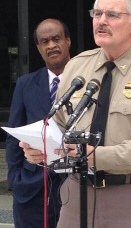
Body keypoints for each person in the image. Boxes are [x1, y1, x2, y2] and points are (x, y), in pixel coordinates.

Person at [21, 0, 131, 228]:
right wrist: (41, 148)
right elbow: (60, 126)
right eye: (97, 14)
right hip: (77, 195)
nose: (101, 21)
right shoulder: (77, 67)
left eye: (112, 15)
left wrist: (97, 157)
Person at [5, 18, 71, 228]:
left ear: (68, 41)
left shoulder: (87, 81)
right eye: (45, 41)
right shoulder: (26, 84)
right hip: (32, 188)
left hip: (74, 185)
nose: (51, 45)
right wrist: (16, 179)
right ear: (38, 48)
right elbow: (13, 135)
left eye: (56, 38)